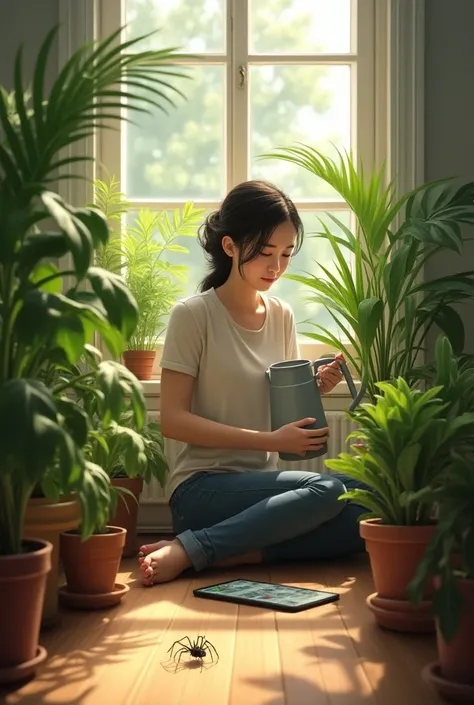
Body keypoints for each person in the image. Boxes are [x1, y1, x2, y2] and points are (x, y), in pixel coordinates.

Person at [138, 180, 366, 586]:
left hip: (264, 490)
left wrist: (315, 387)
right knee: (327, 489)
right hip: (202, 489)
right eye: (264, 253)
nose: (276, 267)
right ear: (230, 247)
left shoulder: (282, 315)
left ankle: (235, 552)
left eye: (285, 254)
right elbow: (172, 421)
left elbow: (275, 404)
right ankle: (196, 547)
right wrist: (271, 442)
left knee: (367, 500)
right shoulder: (193, 316)